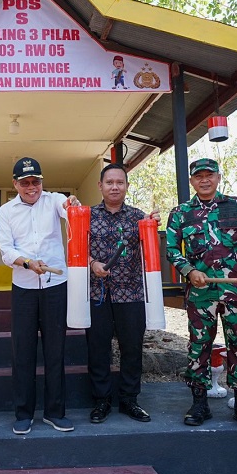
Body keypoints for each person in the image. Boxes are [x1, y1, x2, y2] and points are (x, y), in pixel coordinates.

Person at [165, 158, 237, 432]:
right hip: (201, 290)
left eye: (209, 175)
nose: (204, 180)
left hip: (235, 289)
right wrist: (188, 270)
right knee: (199, 347)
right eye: (199, 176)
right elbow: (172, 249)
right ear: (192, 181)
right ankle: (199, 403)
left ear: (219, 177)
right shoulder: (181, 213)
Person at [0, 157, 80, 435]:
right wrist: (26, 262)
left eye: (36, 181)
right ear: (15, 184)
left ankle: (55, 412)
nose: (31, 187)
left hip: (56, 285)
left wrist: (73, 206)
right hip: (24, 287)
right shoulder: (6, 211)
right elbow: (6, 250)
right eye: (25, 182)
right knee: (23, 352)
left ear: (42, 182)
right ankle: (23, 413)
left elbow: (70, 210)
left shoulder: (55, 200)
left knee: (56, 350)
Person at [86, 163, 158, 424]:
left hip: (131, 294)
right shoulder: (88, 216)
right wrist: (92, 264)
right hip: (97, 294)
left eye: (120, 182)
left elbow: (148, 251)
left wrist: (152, 226)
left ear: (126, 186)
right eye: (109, 182)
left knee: (131, 348)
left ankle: (129, 400)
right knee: (98, 349)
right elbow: (77, 249)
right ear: (100, 186)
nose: (114, 187)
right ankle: (101, 401)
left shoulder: (139, 218)